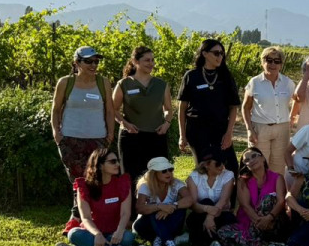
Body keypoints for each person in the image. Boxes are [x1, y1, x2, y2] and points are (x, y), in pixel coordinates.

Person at [51, 46, 115, 206]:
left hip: (98, 139)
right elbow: (56, 109)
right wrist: (56, 134)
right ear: (77, 62)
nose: (93, 65)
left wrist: (110, 134)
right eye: (88, 61)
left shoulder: (103, 83)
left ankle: (95, 214)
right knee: (78, 182)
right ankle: (78, 214)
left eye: (96, 61)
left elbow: (109, 111)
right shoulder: (65, 82)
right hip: (70, 139)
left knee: (96, 179)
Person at [55, 148, 146, 246]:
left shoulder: (122, 183)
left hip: (114, 232)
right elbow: (86, 218)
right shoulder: (84, 186)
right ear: (100, 165)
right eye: (113, 162)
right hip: (92, 232)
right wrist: (97, 234)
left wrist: (119, 231)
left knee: (128, 237)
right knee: (73, 234)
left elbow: (125, 213)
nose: (117, 164)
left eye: (117, 161)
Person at [112, 45, 172, 189]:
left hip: (156, 137)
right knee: (131, 177)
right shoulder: (124, 84)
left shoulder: (161, 85)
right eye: (147, 60)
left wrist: (166, 123)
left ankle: (156, 202)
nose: (151, 63)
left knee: (158, 177)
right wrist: (125, 124)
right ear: (135, 61)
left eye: (152, 60)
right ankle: (132, 203)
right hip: (131, 138)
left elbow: (169, 109)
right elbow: (113, 110)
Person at [177, 39, 240, 173]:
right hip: (197, 129)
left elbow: (233, 107)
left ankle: (230, 188)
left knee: (231, 168)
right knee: (204, 168)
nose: (220, 57)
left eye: (222, 54)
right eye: (216, 53)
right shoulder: (191, 76)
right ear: (204, 53)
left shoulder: (226, 77)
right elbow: (182, 108)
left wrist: (229, 133)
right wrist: (182, 135)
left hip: (220, 129)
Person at [219, 148, 288, 246]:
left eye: (254, 156)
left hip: (272, 222)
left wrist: (268, 218)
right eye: (247, 160)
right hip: (251, 223)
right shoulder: (242, 181)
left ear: (263, 158)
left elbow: (281, 201)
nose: (251, 160)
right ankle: (265, 245)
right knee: (222, 232)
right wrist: (259, 222)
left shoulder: (277, 178)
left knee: (268, 199)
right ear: (245, 165)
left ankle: (252, 242)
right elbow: (245, 206)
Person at [242, 47, 295, 174]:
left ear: (281, 64)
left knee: (278, 167)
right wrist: (249, 130)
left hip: (282, 129)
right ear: (262, 62)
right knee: (258, 166)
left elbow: (298, 100)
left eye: (277, 61)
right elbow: (245, 107)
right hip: (260, 129)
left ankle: (276, 188)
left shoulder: (288, 83)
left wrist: (292, 117)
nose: (272, 64)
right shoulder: (254, 82)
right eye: (269, 60)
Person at [132, 155, 191, 246]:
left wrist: (172, 206)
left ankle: (159, 241)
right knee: (152, 210)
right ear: (154, 173)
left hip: (170, 222)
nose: (168, 173)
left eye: (170, 170)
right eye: (164, 171)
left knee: (180, 209)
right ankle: (169, 242)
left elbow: (189, 199)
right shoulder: (145, 186)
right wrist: (159, 206)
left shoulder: (176, 183)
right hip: (148, 226)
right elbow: (139, 208)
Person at [185, 150, 236, 246]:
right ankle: (213, 241)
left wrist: (210, 216)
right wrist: (207, 208)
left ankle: (196, 238)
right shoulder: (194, 177)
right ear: (206, 165)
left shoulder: (228, 175)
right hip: (199, 214)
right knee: (206, 201)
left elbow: (223, 201)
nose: (221, 166)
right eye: (217, 163)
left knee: (229, 219)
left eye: (223, 162)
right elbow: (193, 204)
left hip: (221, 213)